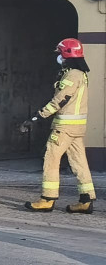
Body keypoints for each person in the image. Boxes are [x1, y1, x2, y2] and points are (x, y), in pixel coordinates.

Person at [21, 38, 97, 213]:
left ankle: (47, 198)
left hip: (65, 127)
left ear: (66, 54)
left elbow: (61, 99)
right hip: (77, 127)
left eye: (60, 54)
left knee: (51, 158)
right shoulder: (81, 74)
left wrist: (38, 117)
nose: (59, 58)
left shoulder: (72, 75)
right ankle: (86, 200)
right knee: (79, 162)